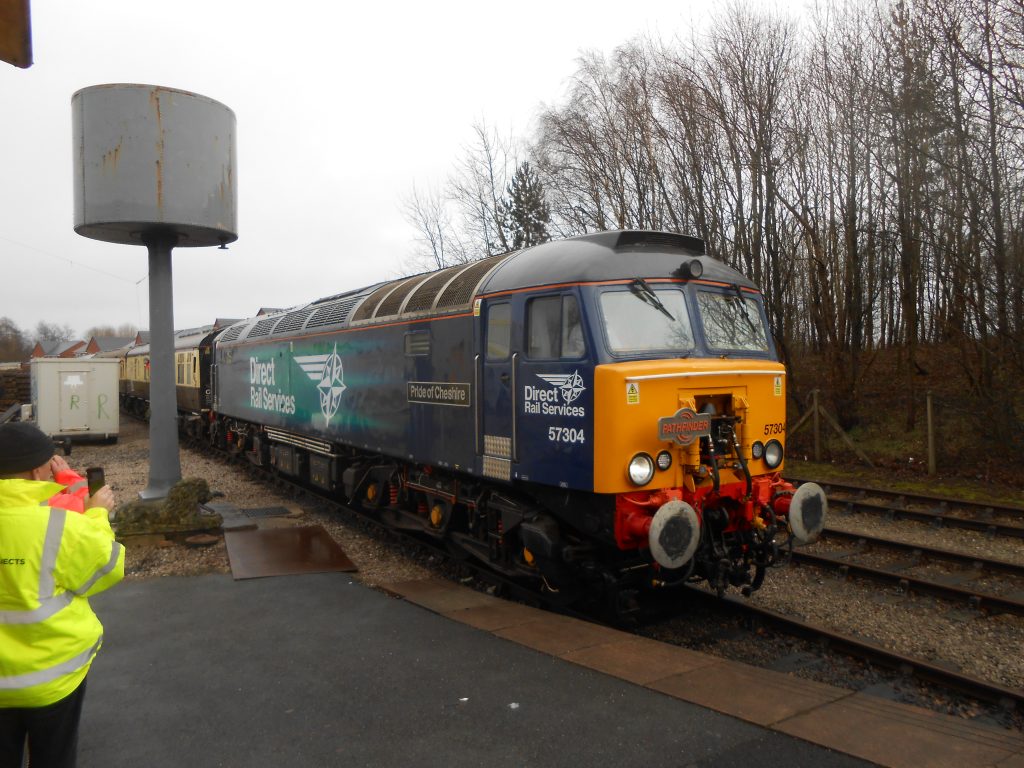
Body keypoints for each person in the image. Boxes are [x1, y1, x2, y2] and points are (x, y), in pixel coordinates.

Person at [0, 422, 124, 768]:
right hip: (52, 679)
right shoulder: (60, 524)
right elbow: (106, 568)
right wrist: (99, 515)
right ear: (39, 470)